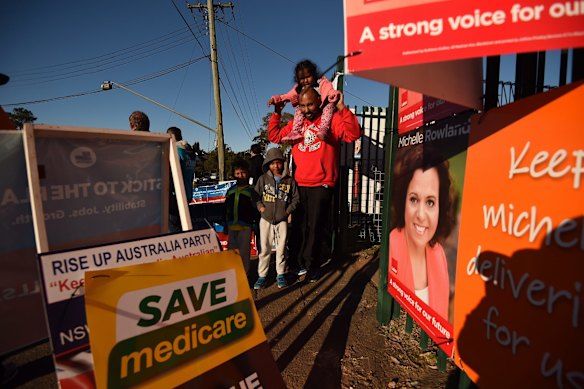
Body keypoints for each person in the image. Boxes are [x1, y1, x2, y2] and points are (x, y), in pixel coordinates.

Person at [268, 86, 361, 282]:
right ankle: (297, 263)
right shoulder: (296, 125)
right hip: (300, 183)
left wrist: (342, 107)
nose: (307, 108)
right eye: (302, 105)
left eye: (310, 104)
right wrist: (277, 112)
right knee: (300, 226)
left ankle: (313, 265)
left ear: (319, 101)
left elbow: (353, 134)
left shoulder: (332, 120)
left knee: (316, 226)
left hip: (323, 182)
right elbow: (274, 136)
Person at [389, 145, 456, 319]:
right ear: (403, 200)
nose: (420, 215)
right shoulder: (394, 242)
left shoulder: (438, 254)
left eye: (430, 202)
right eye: (414, 199)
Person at [254, 147, 300, 289]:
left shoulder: (289, 181)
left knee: (281, 248)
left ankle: (280, 274)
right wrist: (261, 207)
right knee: (265, 249)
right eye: (272, 163)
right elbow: (255, 196)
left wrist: (288, 211)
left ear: (283, 163)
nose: (276, 166)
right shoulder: (263, 179)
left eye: (279, 162)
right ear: (268, 164)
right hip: (266, 219)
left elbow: (296, 198)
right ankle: (262, 276)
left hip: (282, 220)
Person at [267, 60, 340, 144]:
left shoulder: (321, 83)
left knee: (329, 106)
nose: (305, 81)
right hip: (298, 126)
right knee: (298, 109)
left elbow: (328, 89)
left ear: (314, 75)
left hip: (324, 109)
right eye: (302, 79)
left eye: (308, 77)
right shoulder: (299, 88)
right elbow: (287, 96)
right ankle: (295, 132)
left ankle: (324, 128)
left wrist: (332, 94)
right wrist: (276, 100)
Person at [225, 160, 260, 277]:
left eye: (243, 173)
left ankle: (244, 277)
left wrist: (255, 223)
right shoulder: (230, 191)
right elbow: (226, 208)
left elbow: (256, 209)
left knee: (244, 254)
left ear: (248, 173)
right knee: (232, 253)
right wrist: (225, 222)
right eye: (238, 173)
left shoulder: (252, 190)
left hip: (245, 226)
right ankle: (233, 276)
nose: (241, 176)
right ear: (234, 174)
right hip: (231, 225)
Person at [167, 127, 197, 232]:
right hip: (188, 194)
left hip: (176, 196)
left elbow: (170, 173)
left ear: (171, 137)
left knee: (174, 230)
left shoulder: (176, 151)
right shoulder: (190, 152)